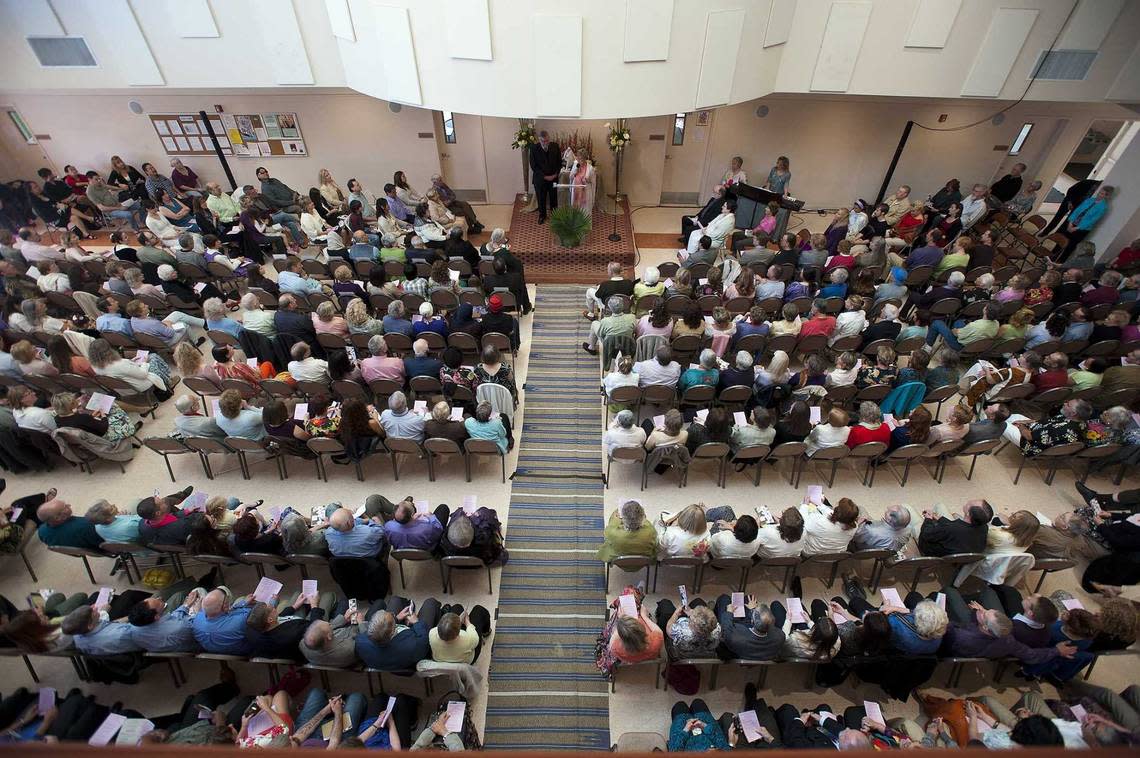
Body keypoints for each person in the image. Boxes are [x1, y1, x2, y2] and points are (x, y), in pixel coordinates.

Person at [355, 595, 441, 671]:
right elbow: (423, 640)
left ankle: (407, 603)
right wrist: (416, 622)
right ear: (393, 631)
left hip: (387, 658)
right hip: (407, 659)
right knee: (430, 603)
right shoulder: (413, 646)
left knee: (395, 599)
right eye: (393, 619)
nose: (393, 615)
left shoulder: (360, 642)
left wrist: (396, 619)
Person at [917, 499, 992, 556]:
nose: (969, 500)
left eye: (970, 503)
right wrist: (938, 518)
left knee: (915, 523)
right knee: (940, 505)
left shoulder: (950, 529)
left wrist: (928, 519)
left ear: (969, 513)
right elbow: (953, 527)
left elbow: (926, 533)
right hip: (955, 547)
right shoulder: (984, 527)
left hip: (931, 551)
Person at [1062, 185, 1113, 259]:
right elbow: (1077, 210)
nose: (1099, 194)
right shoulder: (1090, 200)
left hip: (1081, 229)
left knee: (1070, 247)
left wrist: (1075, 228)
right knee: (1061, 241)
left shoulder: (1103, 207)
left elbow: (1091, 221)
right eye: (1099, 192)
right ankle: (1052, 257)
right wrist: (1070, 223)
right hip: (1072, 223)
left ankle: (1060, 262)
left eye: (1102, 194)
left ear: (1106, 196)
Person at [36, 497, 103, 550]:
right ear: (57, 518)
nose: (69, 505)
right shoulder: (86, 525)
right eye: (65, 506)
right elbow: (104, 541)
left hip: (83, 548)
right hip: (101, 548)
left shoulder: (41, 531)